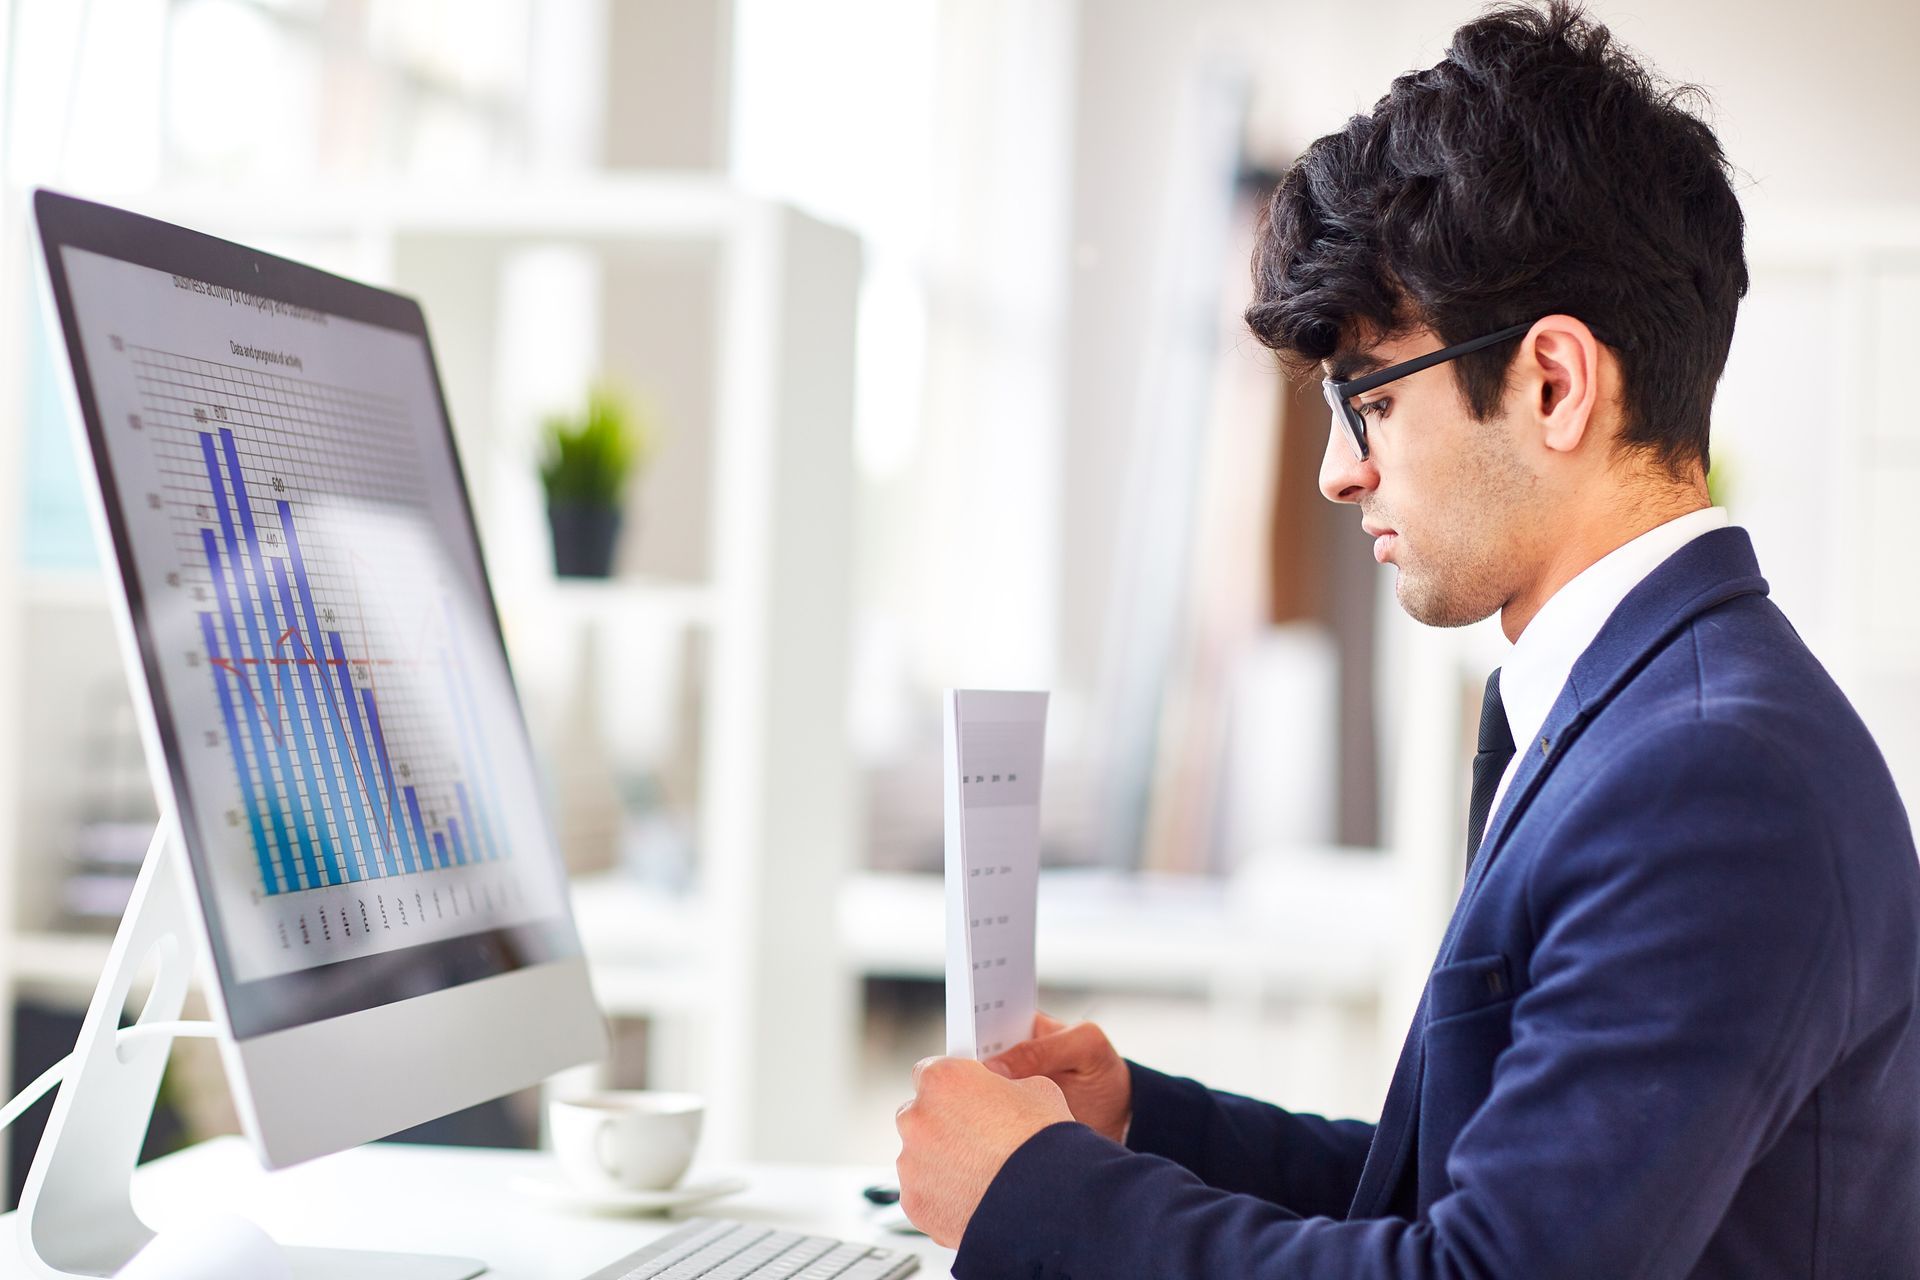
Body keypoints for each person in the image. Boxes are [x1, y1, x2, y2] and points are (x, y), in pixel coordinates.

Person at [891, 3, 1920, 1275]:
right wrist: (1140, 1120)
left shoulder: (1709, 778)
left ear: (1554, 382)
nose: (1337, 471)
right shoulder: (1648, 716)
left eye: (1370, 399)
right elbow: (1470, 1193)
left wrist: (1032, 1194)